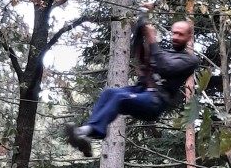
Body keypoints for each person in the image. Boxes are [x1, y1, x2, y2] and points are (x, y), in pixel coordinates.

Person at [65, 19, 200, 157]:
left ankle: (87, 131)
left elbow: (166, 66)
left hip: (155, 102)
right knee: (109, 93)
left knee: (119, 97)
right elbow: (141, 53)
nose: (175, 37)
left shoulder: (190, 61)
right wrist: (142, 25)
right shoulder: (165, 53)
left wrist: (151, 39)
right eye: (174, 33)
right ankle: (89, 133)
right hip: (141, 91)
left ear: (189, 37)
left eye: (180, 34)